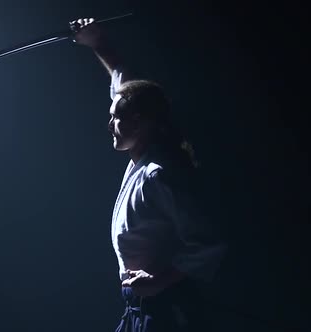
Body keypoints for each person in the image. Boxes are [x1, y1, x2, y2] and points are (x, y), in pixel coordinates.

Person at [71, 18, 227, 331]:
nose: (110, 124)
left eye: (117, 118)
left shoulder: (159, 175)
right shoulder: (142, 158)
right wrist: (97, 41)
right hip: (138, 304)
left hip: (164, 307)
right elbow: (122, 82)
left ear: (140, 122)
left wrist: (159, 280)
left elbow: (208, 242)